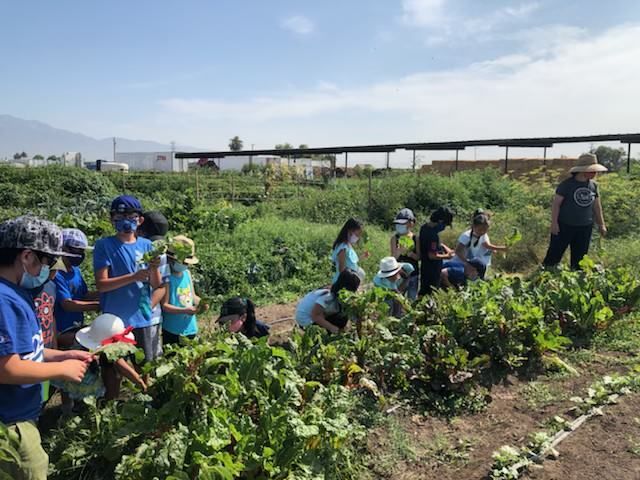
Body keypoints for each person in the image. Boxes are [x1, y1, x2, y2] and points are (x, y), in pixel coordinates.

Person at [0, 216, 93, 480]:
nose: (50, 269)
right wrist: (60, 370)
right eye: (48, 261)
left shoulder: (16, 292)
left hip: (18, 415)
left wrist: (61, 355)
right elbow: (6, 368)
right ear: (27, 256)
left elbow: (25, 351)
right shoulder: (4, 299)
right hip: (10, 422)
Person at [93, 196, 163, 363]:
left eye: (131, 217)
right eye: (119, 218)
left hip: (142, 317)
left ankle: (144, 389)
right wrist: (132, 277)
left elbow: (156, 284)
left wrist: (153, 268)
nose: (125, 222)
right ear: (112, 219)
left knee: (145, 365)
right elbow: (101, 285)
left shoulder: (147, 245)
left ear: (140, 220)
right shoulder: (104, 245)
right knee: (114, 369)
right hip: (114, 321)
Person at [543, 153, 608, 270]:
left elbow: (597, 206)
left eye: (595, 170)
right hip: (564, 225)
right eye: (592, 170)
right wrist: (554, 223)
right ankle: (543, 277)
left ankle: (576, 280)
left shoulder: (593, 186)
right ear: (582, 170)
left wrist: (601, 224)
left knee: (580, 261)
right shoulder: (566, 185)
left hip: (585, 227)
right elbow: (556, 205)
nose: (595, 173)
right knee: (553, 256)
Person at [75, 313, 147, 400]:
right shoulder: (109, 354)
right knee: (110, 383)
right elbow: (121, 365)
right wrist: (139, 381)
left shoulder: (88, 341)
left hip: (84, 377)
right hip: (82, 377)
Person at [53, 228, 100, 349]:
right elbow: (67, 304)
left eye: (82, 251)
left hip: (76, 324)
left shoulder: (75, 271)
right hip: (61, 329)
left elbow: (83, 295)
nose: (80, 254)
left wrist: (105, 294)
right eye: (76, 250)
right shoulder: (56, 274)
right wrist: (98, 305)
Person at [441, 211, 507, 287]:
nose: (482, 232)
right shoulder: (466, 236)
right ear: (474, 226)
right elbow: (458, 252)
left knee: (478, 281)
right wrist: (467, 263)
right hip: (460, 263)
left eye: (485, 230)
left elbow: (487, 245)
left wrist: (502, 248)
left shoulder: (483, 235)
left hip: (469, 265)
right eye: (480, 229)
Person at [161, 236, 204, 346]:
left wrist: (202, 303)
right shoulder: (166, 277)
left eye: (187, 263)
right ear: (171, 259)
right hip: (172, 328)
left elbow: (193, 296)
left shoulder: (187, 274)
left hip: (190, 327)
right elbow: (165, 305)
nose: (185, 265)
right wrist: (184, 310)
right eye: (183, 262)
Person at [137, 211, 170, 348]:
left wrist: (146, 308)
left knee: (150, 360)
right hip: (129, 316)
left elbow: (162, 285)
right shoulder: (133, 251)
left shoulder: (160, 254)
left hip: (151, 317)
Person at [295, 269, 361, 334]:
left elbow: (355, 318)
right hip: (306, 320)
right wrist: (332, 328)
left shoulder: (336, 293)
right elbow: (315, 315)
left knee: (342, 314)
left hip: (313, 316)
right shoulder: (328, 296)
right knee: (341, 318)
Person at [417, 207, 455, 296]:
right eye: (445, 225)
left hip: (425, 267)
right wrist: (447, 256)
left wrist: (445, 248)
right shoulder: (433, 235)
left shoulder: (424, 228)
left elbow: (433, 246)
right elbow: (432, 255)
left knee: (423, 290)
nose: (444, 228)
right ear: (440, 221)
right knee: (431, 293)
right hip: (432, 270)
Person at [390, 208, 420, 300]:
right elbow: (393, 258)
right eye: (398, 223)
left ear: (411, 223)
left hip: (413, 274)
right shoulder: (395, 238)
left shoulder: (416, 238)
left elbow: (419, 257)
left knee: (412, 299)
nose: (400, 226)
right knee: (398, 299)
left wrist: (410, 254)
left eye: (402, 223)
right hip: (400, 274)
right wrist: (400, 251)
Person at [331, 218, 367, 284]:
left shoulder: (348, 246)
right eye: (357, 235)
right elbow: (341, 269)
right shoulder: (342, 247)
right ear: (350, 231)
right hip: (343, 282)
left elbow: (350, 262)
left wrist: (362, 257)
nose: (358, 237)